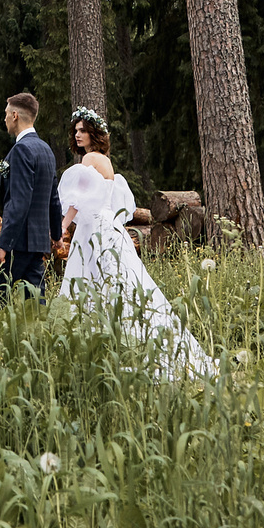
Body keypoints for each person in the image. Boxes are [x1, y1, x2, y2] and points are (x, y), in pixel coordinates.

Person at [57, 108, 215, 379]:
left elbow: (76, 200)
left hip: (94, 228)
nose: (78, 134)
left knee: (88, 281)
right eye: (76, 130)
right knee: (124, 283)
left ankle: (87, 347)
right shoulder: (106, 162)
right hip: (110, 227)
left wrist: (62, 226)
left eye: (83, 130)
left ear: (94, 133)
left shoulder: (89, 159)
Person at [0, 92, 61, 300]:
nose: (5, 119)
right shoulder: (46, 150)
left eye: (6, 114)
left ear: (15, 115)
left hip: (18, 242)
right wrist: (56, 235)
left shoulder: (21, 150)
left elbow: (18, 203)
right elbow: (53, 199)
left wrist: (3, 245)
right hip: (37, 243)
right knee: (35, 305)